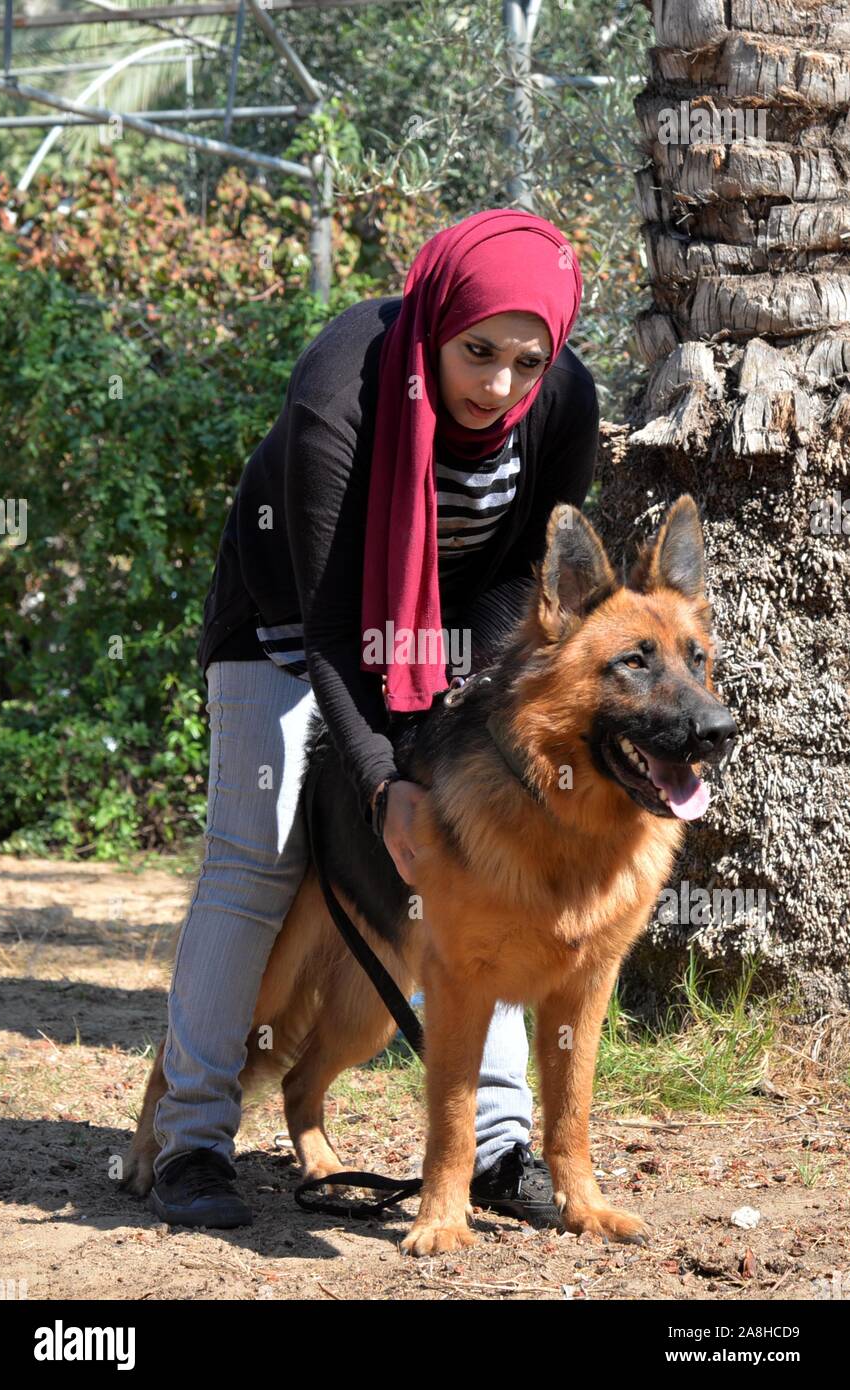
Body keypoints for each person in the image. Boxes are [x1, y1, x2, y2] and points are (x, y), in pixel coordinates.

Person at [149, 208, 600, 1230]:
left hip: (453, 636)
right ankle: (189, 1142)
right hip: (291, 616)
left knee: (480, 845)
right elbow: (331, 625)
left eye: (525, 361)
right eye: (476, 352)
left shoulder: (564, 400)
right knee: (255, 851)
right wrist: (382, 775)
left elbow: (522, 586)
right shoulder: (338, 391)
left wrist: (456, 719)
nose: (497, 384)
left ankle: (493, 1145)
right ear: (436, 318)